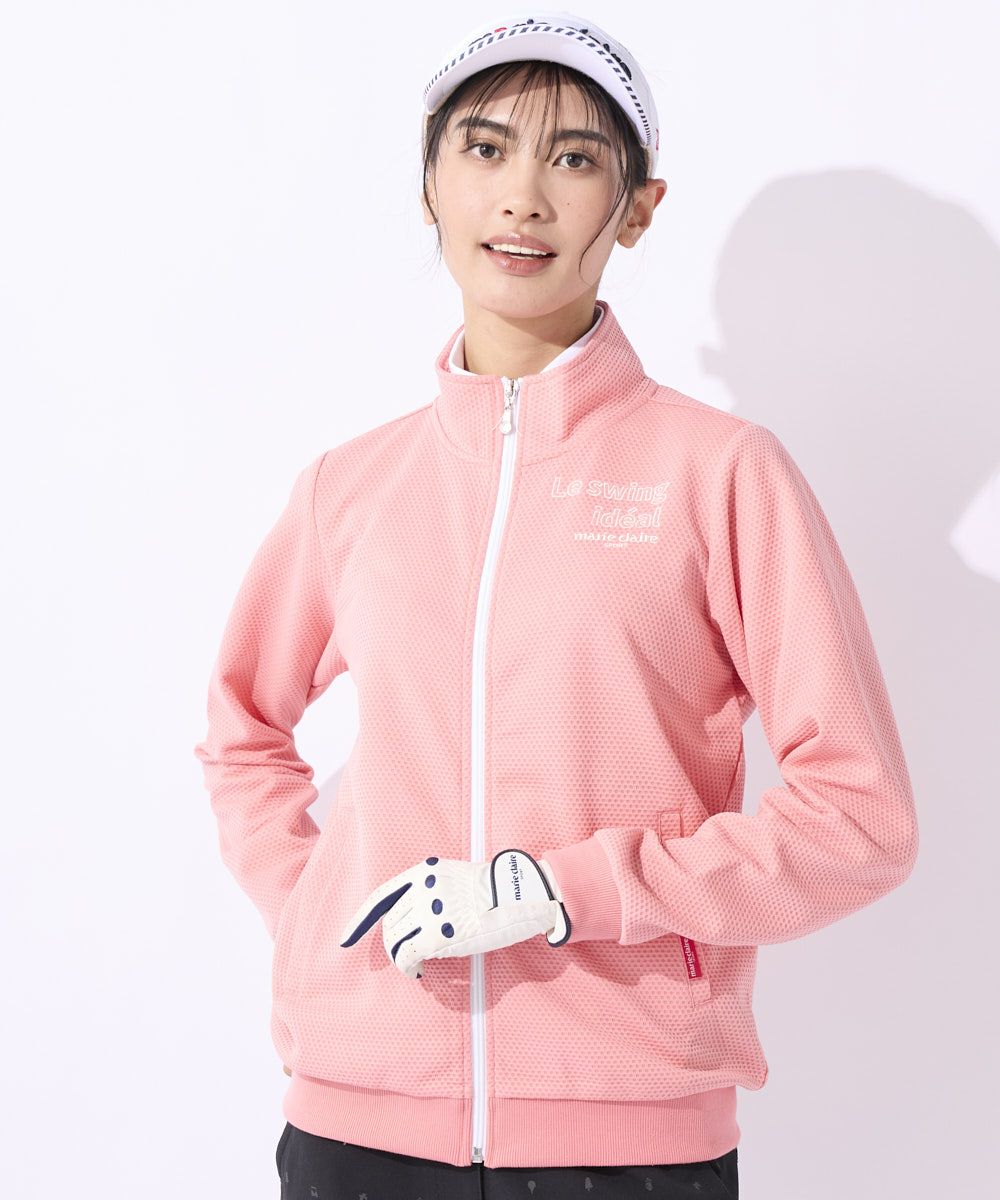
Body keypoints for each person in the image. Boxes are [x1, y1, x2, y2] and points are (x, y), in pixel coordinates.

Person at [193, 10, 919, 1198]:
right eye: (483, 149)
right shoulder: (351, 487)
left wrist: (563, 890)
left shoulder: (718, 474)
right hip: (354, 1129)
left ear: (637, 208)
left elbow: (859, 817)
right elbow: (240, 731)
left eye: (574, 159)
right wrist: (320, 906)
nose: (522, 197)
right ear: (428, 185)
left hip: (629, 1138)